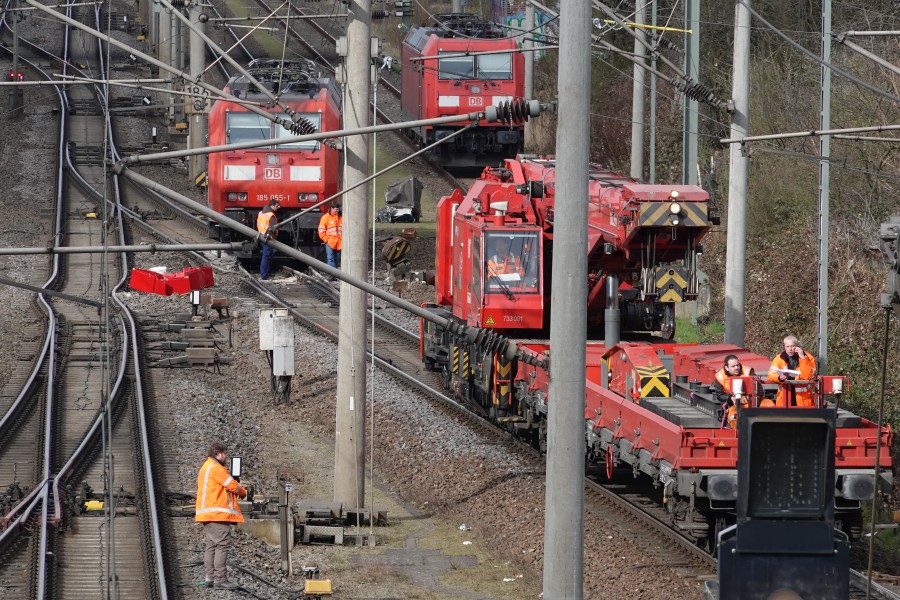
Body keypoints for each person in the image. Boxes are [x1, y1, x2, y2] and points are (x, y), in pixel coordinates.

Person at [195, 442, 247, 589]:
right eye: (225, 454)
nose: (226, 457)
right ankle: (220, 579)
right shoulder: (216, 468)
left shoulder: (206, 466)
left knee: (212, 545)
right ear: (218, 453)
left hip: (208, 514)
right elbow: (233, 486)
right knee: (222, 545)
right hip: (216, 514)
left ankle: (210, 578)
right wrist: (244, 492)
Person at [768, 335, 818, 407]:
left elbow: (807, 376)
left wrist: (803, 358)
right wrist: (779, 377)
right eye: (787, 346)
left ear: (797, 346)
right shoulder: (779, 358)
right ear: (784, 347)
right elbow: (770, 374)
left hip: (803, 400)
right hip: (784, 400)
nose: (790, 349)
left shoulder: (808, 358)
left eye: (792, 346)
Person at [710, 354, 753, 429]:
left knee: (768, 407)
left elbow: (758, 388)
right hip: (733, 405)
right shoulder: (720, 376)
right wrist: (730, 398)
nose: (737, 368)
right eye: (733, 366)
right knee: (733, 418)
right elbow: (720, 395)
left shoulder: (748, 371)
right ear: (726, 368)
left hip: (752, 402)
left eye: (738, 365)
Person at [256, 200, 280, 280]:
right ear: (272, 206)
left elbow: (259, 223)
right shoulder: (271, 216)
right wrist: (273, 238)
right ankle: (264, 275)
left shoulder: (261, 212)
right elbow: (272, 228)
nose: (278, 207)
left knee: (269, 255)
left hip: (261, 236)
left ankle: (267, 272)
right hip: (268, 239)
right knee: (266, 256)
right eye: (277, 206)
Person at [318, 202, 343, 269]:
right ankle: (331, 275)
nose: (337, 211)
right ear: (331, 208)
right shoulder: (325, 218)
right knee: (330, 259)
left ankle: (334, 274)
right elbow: (321, 231)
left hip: (339, 242)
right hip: (330, 242)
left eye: (338, 209)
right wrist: (326, 240)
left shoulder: (341, 217)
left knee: (336, 259)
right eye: (336, 209)